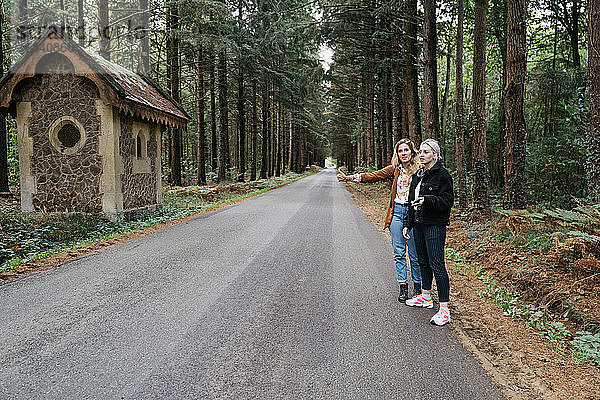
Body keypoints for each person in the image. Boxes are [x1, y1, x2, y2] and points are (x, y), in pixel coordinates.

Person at [337, 139, 422, 302]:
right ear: (397, 154)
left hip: (414, 215)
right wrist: (348, 178)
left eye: (406, 150)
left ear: (412, 152)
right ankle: (403, 287)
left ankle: (418, 289)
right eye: (400, 151)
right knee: (399, 253)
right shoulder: (394, 170)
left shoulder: (419, 170)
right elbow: (372, 176)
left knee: (415, 254)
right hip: (396, 213)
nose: (403, 153)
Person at [402, 138, 454, 326]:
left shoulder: (443, 176)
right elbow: (410, 201)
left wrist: (428, 200)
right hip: (419, 224)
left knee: (437, 265)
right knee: (422, 261)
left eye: (425, 152)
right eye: (421, 152)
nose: (421, 155)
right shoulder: (417, 175)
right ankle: (425, 296)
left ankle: (444, 309)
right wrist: (408, 223)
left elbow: (447, 201)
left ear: (435, 154)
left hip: (435, 225)